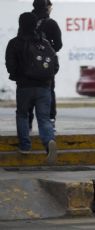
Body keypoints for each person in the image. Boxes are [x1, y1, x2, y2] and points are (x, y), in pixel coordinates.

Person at [5, 12, 58, 164]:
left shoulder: (14, 43)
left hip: (24, 87)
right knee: (44, 118)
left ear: (20, 23)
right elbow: (55, 65)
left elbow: (10, 65)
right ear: (36, 24)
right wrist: (46, 78)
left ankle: (25, 146)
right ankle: (49, 143)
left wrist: (18, 77)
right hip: (44, 87)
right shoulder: (45, 42)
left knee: (22, 115)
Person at [29, 0, 62, 132]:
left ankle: (28, 122)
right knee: (49, 91)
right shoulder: (51, 23)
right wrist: (48, 50)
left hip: (28, 65)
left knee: (28, 92)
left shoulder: (27, 21)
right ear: (47, 7)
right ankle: (50, 121)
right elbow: (58, 45)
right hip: (45, 65)